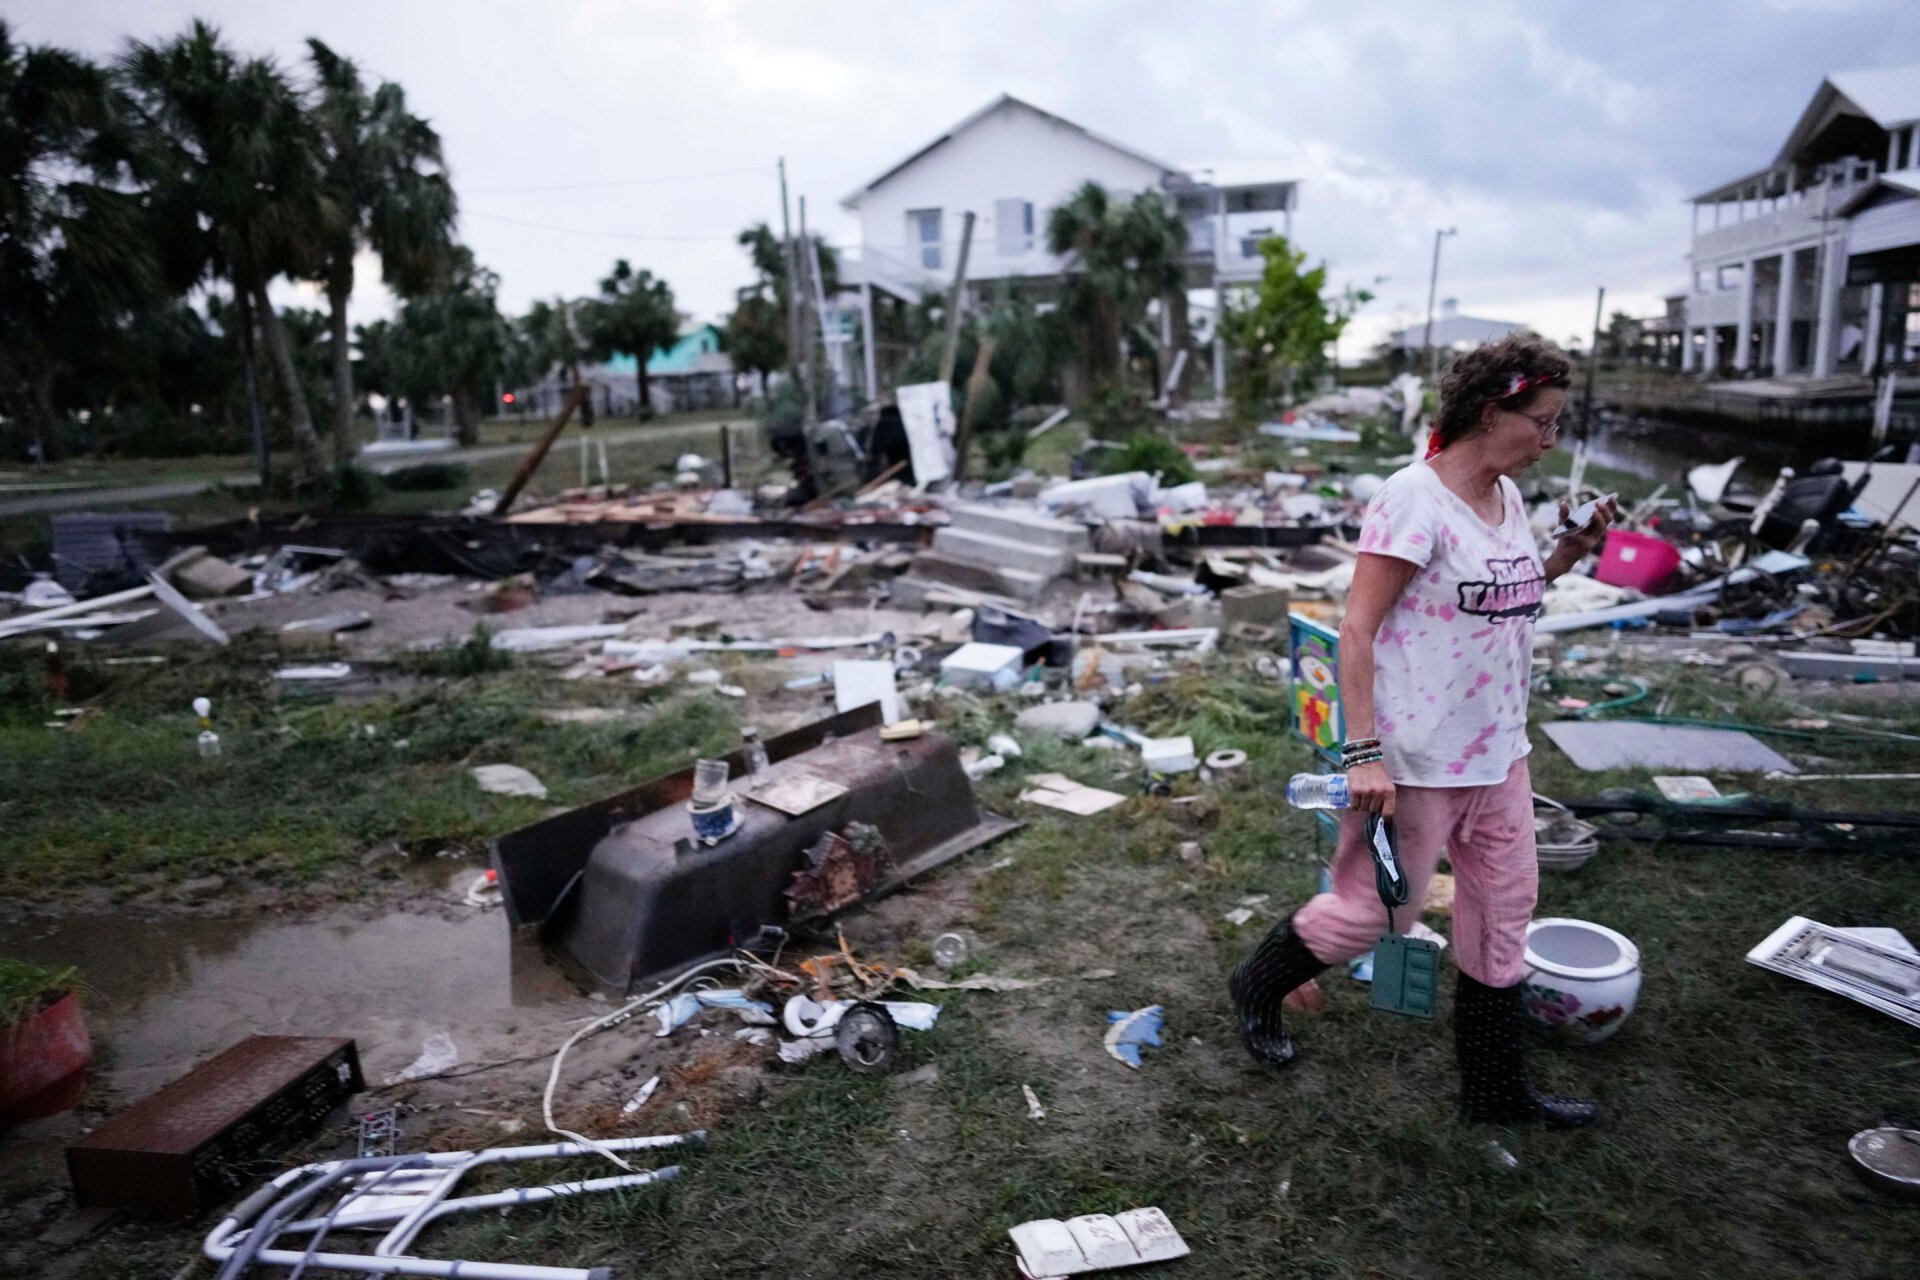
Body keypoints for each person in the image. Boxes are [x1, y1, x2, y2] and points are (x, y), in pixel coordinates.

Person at [1228, 333, 1617, 1127]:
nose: (1551, 440)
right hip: (1414, 763)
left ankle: (1495, 1094)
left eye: (1556, 424)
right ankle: (1257, 986)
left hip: (1499, 753)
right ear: (1488, 412)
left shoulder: (1506, 497)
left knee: (1504, 914)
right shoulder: (1413, 498)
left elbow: (1501, 593)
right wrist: (1363, 753)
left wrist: (1568, 553)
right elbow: (1359, 628)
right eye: (1540, 422)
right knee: (1377, 915)